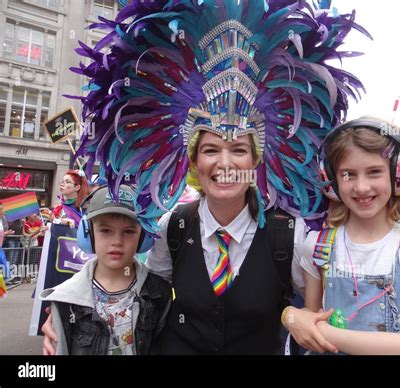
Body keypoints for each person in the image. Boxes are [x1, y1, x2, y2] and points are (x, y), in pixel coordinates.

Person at [43, 0, 369, 354]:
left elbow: (323, 304)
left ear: (256, 161)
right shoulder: (175, 227)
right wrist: (66, 307)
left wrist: (294, 316)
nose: (225, 163)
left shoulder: (288, 234)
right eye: (211, 150)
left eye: (239, 150)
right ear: (195, 162)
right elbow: (134, 284)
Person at [283, 118, 400, 355]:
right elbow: (312, 315)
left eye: (374, 172)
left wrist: (316, 328)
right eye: (348, 174)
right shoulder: (317, 246)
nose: (361, 187)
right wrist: (293, 316)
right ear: (331, 179)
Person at [40, 185, 172, 355]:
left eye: (129, 231)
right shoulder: (66, 299)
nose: (117, 241)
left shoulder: (159, 293)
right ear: (88, 234)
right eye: (106, 230)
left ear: (144, 238)